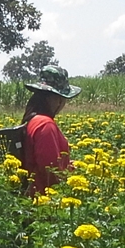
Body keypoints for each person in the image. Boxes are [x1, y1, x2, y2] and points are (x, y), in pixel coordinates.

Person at [20, 65, 81, 195]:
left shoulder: (33, 119)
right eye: (63, 98)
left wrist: (72, 166)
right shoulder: (45, 125)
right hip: (45, 197)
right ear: (56, 99)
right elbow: (50, 171)